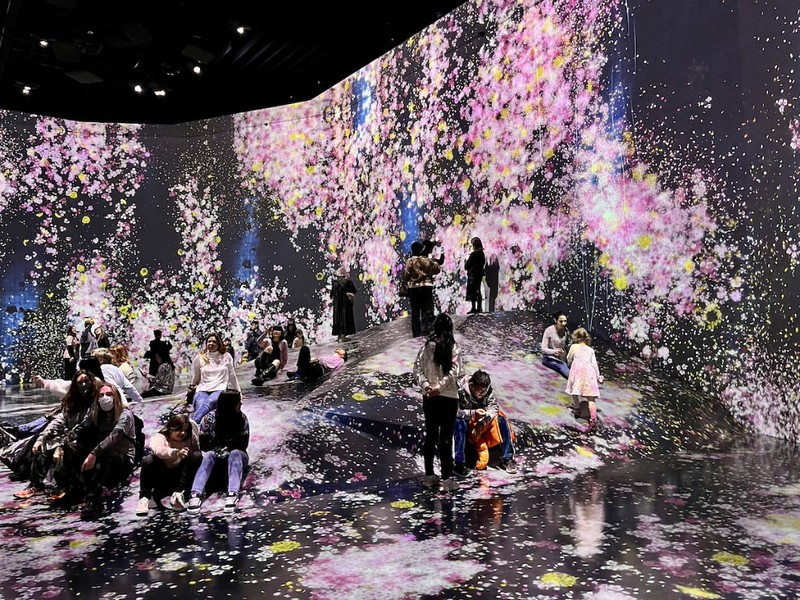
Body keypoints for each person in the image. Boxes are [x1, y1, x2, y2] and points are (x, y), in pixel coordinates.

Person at [13, 370, 98, 498]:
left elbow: (84, 426)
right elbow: (60, 420)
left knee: (66, 451)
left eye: (86, 381)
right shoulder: (72, 402)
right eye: (80, 382)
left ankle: (67, 487)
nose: (83, 385)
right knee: (43, 446)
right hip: (70, 437)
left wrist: (62, 445)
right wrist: (42, 437)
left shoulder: (96, 401)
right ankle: (36, 485)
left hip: (88, 440)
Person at [60, 384, 136, 514]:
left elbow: (114, 437)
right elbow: (79, 429)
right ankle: (75, 489)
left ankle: (93, 499)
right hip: (99, 454)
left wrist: (93, 454)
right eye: (101, 395)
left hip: (122, 458)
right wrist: (62, 445)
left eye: (108, 394)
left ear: (116, 396)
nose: (104, 398)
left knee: (106, 450)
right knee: (71, 448)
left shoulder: (125, 414)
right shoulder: (95, 414)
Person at [413, 313, 463, 491]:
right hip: (449, 398)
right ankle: (447, 479)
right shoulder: (453, 347)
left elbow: (417, 370)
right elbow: (454, 373)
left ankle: (429, 476)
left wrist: (427, 387)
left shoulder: (425, 347)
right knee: (446, 438)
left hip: (430, 398)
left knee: (431, 435)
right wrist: (440, 388)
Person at [187, 390, 250, 514]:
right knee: (209, 455)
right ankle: (195, 494)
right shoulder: (209, 418)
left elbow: (243, 444)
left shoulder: (242, 418)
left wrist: (228, 449)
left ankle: (232, 493)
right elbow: (204, 443)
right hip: (215, 451)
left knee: (235, 454)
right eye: (239, 402)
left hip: (236, 452)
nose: (241, 404)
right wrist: (218, 449)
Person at [453, 370, 515, 477]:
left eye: (484, 391)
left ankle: (507, 458)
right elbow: (453, 412)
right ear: (471, 386)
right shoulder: (457, 389)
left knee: (501, 419)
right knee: (459, 424)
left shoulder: (487, 390)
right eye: (480, 391)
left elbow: (494, 408)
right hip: (464, 418)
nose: (482, 394)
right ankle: (459, 463)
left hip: (480, 420)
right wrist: (473, 413)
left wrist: (482, 423)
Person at [137, 414, 201, 515]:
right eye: (179, 430)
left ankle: (180, 493)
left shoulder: (190, 438)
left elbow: (197, 453)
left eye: (185, 430)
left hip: (181, 477)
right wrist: (176, 452)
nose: (182, 433)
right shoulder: (159, 437)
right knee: (148, 460)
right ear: (171, 429)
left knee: (197, 456)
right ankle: (145, 497)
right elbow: (159, 450)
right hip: (162, 475)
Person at [190, 332, 240, 422]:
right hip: (202, 389)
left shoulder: (226, 356)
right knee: (200, 404)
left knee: (210, 402)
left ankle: (192, 424)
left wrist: (239, 392)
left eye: (214, 342)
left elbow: (232, 375)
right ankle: (200, 431)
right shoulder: (199, 357)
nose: (211, 344)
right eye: (209, 341)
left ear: (219, 344)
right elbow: (196, 376)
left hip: (219, 388)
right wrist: (191, 387)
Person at [565, 327, 603, 428]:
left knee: (574, 390)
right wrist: (598, 376)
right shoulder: (590, 350)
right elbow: (594, 364)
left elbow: (569, 358)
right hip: (589, 372)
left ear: (576, 337)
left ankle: (577, 408)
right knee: (591, 398)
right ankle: (593, 419)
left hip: (577, 371)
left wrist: (569, 363)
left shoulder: (574, 347)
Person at [404, 241, 442, 338]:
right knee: (426, 309)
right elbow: (436, 270)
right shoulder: (427, 260)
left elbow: (406, 276)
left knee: (415, 310)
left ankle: (416, 332)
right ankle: (425, 330)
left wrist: (408, 281)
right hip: (426, 287)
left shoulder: (410, 261)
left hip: (414, 289)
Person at [541, 311, 570, 379]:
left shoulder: (566, 331)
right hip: (549, 358)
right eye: (561, 321)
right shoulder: (549, 330)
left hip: (561, 358)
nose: (563, 323)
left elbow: (567, 346)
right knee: (561, 366)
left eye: (565, 321)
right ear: (555, 320)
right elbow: (543, 348)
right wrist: (554, 351)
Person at [331, 266, 357, 342]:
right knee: (345, 318)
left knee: (338, 318)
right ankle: (343, 336)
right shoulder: (348, 282)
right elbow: (354, 291)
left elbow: (332, 294)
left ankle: (339, 335)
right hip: (345, 304)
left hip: (337, 305)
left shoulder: (335, 283)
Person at [465, 237, 486, 314]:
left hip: (472, 275)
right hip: (479, 275)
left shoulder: (474, 254)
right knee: (478, 290)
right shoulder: (482, 254)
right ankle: (479, 307)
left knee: (473, 291)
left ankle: (474, 307)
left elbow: (466, 266)